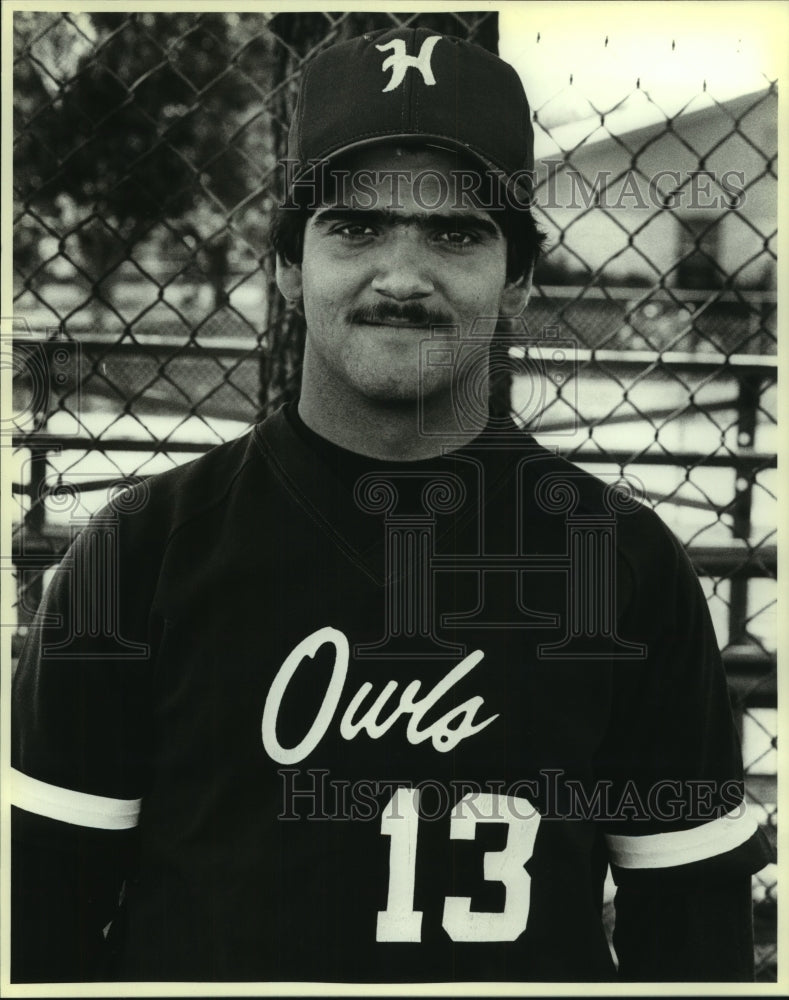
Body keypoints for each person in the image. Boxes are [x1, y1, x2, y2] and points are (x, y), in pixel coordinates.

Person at [11, 27, 772, 984]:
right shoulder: (139, 553)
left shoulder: (619, 564)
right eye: (355, 226)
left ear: (520, 280)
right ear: (290, 266)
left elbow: (689, 940)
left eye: (456, 233)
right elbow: (40, 932)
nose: (402, 276)